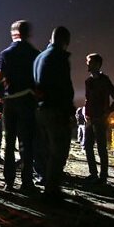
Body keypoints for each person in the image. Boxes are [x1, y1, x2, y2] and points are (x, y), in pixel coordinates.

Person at [0, 20, 40, 192]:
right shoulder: (35, 53)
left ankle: (9, 182)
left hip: (10, 102)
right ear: (28, 33)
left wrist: (1, 96)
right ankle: (27, 182)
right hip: (28, 101)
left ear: (13, 34)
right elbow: (39, 80)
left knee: (9, 142)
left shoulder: (5, 54)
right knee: (26, 143)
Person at [33, 26, 75, 198]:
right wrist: (69, 112)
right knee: (59, 152)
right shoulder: (59, 57)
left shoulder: (39, 57)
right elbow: (64, 87)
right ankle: (51, 190)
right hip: (55, 110)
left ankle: (46, 183)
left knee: (45, 150)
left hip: (40, 110)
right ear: (66, 42)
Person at [83, 53, 114, 184]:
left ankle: (103, 176)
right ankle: (93, 174)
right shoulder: (88, 81)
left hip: (100, 120)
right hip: (89, 119)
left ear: (97, 64)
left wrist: (109, 111)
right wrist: (85, 111)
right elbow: (88, 99)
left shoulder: (104, 80)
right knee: (87, 147)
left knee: (101, 148)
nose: (87, 64)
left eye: (89, 62)